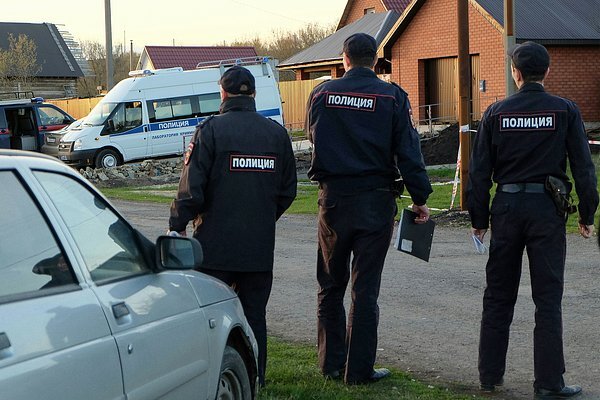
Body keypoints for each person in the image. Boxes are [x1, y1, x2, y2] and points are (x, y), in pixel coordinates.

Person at [468, 41, 599, 399]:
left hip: (507, 208)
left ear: (516, 73)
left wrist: (478, 218)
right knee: (547, 298)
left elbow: (479, 172)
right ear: (548, 71)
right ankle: (548, 383)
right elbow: (583, 167)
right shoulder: (565, 110)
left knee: (498, 295)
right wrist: (587, 213)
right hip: (547, 211)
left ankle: (489, 376)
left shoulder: (496, 113)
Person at [305, 33, 433, 385]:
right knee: (365, 289)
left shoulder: (321, 93)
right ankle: (358, 370)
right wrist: (420, 197)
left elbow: (313, 137)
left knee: (330, 283)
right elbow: (408, 151)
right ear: (376, 60)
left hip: (333, 199)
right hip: (375, 201)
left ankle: (331, 363)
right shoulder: (392, 96)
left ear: (344, 59)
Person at [168, 65, 297, 386]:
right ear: (253, 94)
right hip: (258, 248)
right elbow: (288, 191)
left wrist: (177, 225)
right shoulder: (276, 134)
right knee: (254, 316)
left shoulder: (210, 131)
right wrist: (262, 217)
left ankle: (214, 380)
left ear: (222, 94)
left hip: (215, 248)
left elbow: (191, 189)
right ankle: (256, 379)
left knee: (212, 317)